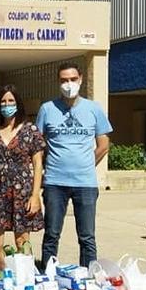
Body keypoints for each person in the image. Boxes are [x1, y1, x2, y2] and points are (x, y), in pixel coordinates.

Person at [36, 62, 112, 268]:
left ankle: (89, 279)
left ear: (80, 79)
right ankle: (48, 277)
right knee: (51, 234)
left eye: (72, 79)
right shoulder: (47, 109)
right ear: (58, 82)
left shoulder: (94, 108)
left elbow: (104, 144)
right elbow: (37, 145)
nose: (68, 84)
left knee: (87, 237)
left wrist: (87, 164)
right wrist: (42, 169)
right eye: (63, 80)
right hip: (54, 182)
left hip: (85, 183)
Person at [0, 85, 46, 270]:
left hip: (23, 190)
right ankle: (5, 276)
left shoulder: (29, 130)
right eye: (3, 101)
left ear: (18, 103)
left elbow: (37, 163)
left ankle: (24, 279)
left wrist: (35, 196)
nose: (7, 104)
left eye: (11, 101)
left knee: (22, 242)